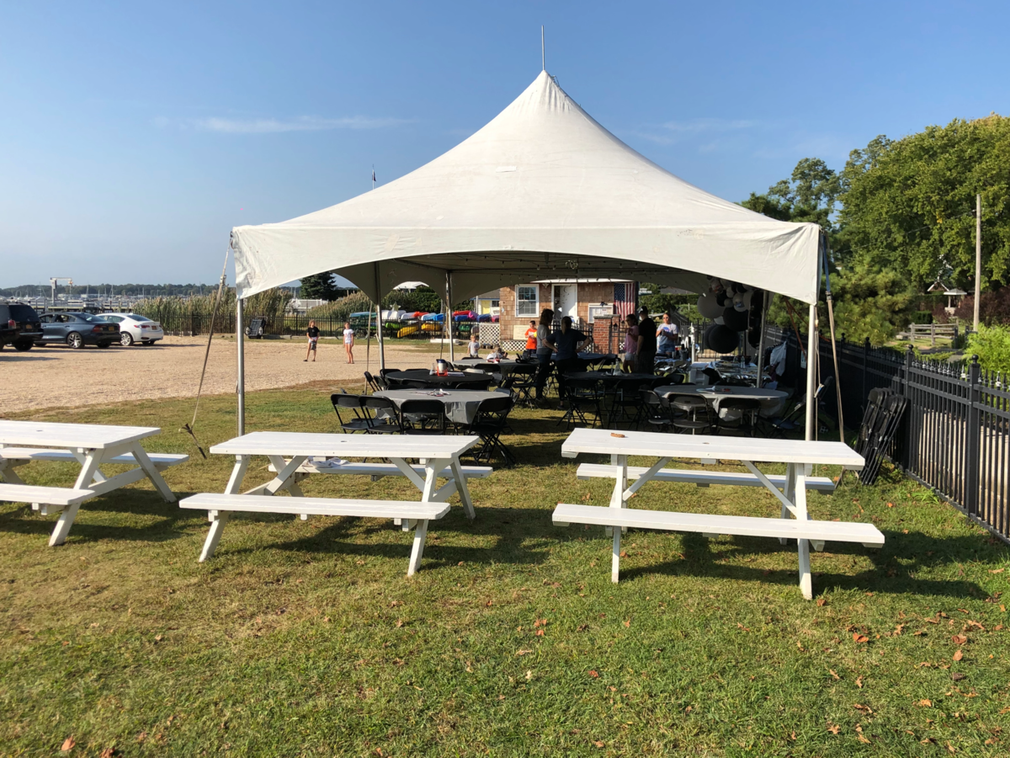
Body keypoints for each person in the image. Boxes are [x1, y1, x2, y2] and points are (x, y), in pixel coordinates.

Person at [551, 315, 587, 403]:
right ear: (570, 324)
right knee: (571, 378)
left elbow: (545, 341)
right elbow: (588, 340)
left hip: (560, 359)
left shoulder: (558, 333)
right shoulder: (574, 333)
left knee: (561, 380)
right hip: (571, 358)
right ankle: (572, 397)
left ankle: (561, 401)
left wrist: (554, 348)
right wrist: (579, 349)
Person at [534, 308, 555, 401]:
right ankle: (538, 395)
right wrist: (554, 348)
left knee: (543, 373)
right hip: (543, 353)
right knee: (542, 374)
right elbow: (545, 342)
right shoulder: (544, 328)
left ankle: (539, 394)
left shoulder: (542, 327)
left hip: (544, 353)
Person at [636, 307, 657, 375]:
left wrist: (637, 351)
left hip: (644, 350)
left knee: (642, 370)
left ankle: (643, 384)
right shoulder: (652, 323)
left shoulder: (642, 324)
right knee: (650, 368)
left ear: (640, 314)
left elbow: (641, 338)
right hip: (652, 348)